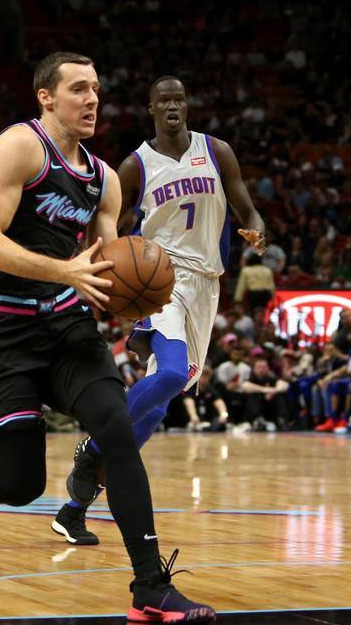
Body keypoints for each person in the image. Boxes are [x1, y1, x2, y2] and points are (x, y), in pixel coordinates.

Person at [0, 53, 214, 624]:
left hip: (67, 327)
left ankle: (150, 586)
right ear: (46, 97)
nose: (91, 100)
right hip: (2, 330)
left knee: (116, 428)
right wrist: (64, 271)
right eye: (78, 90)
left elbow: (108, 263)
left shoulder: (105, 180)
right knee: (18, 485)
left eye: (96, 89)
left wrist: (131, 300)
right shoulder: (19, 147)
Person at [52, 76, 266, 543]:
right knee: (169, 376)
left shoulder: (217, 151)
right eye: (163, 100)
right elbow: (107, 222)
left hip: (207, 284)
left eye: (179, 99)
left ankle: (72, 510)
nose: (172, 105)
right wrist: (97, 266)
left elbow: (247, 210)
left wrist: (256, 229)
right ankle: (93, 447)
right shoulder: (135, 166)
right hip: (160, 280)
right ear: (151, 108)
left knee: (161, 406)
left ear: (187, 105)